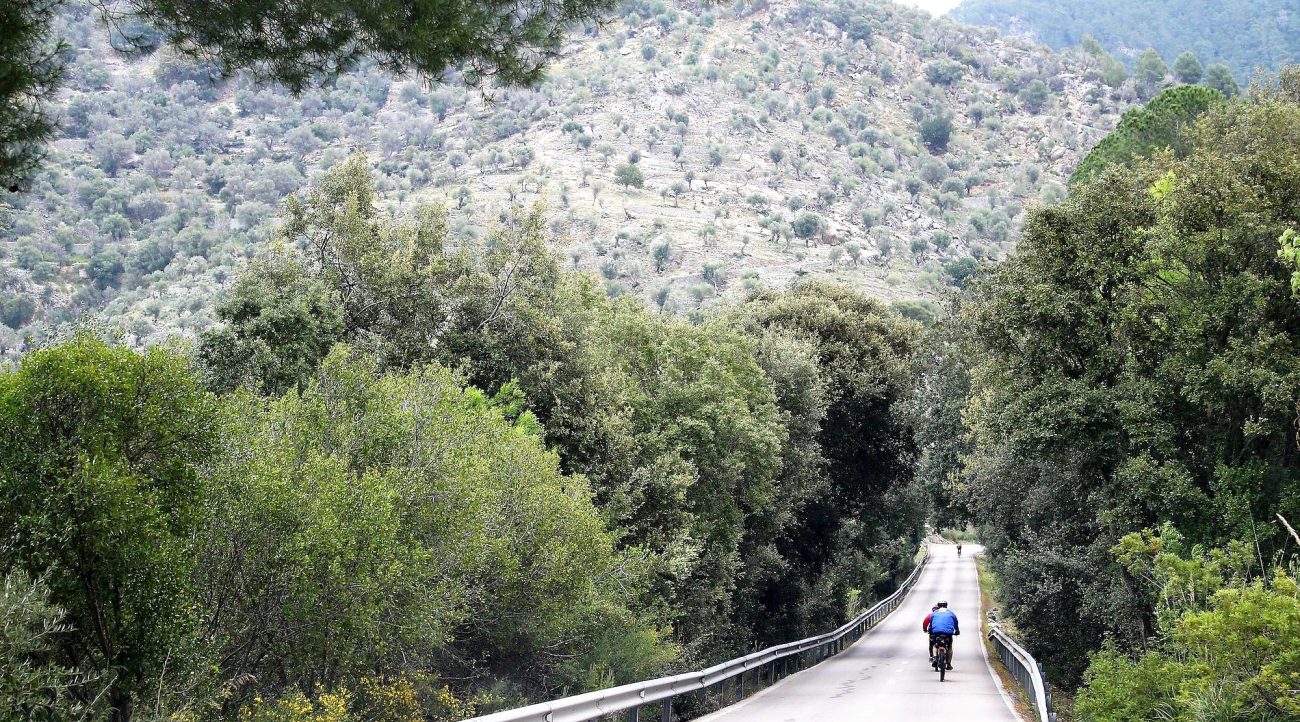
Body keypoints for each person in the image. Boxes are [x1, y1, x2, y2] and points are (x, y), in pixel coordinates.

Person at [926, 601, 959, 669]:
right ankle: (949, 664)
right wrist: (957, 631)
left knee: (935, 645)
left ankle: (935, 657)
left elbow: (931, 624)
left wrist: (930, 631)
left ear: (938, 606)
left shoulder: (934, 614)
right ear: (946, 606)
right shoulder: (951, 613)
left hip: (936, 632)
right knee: (949, 647)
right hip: (948, 633)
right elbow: (956, 623)